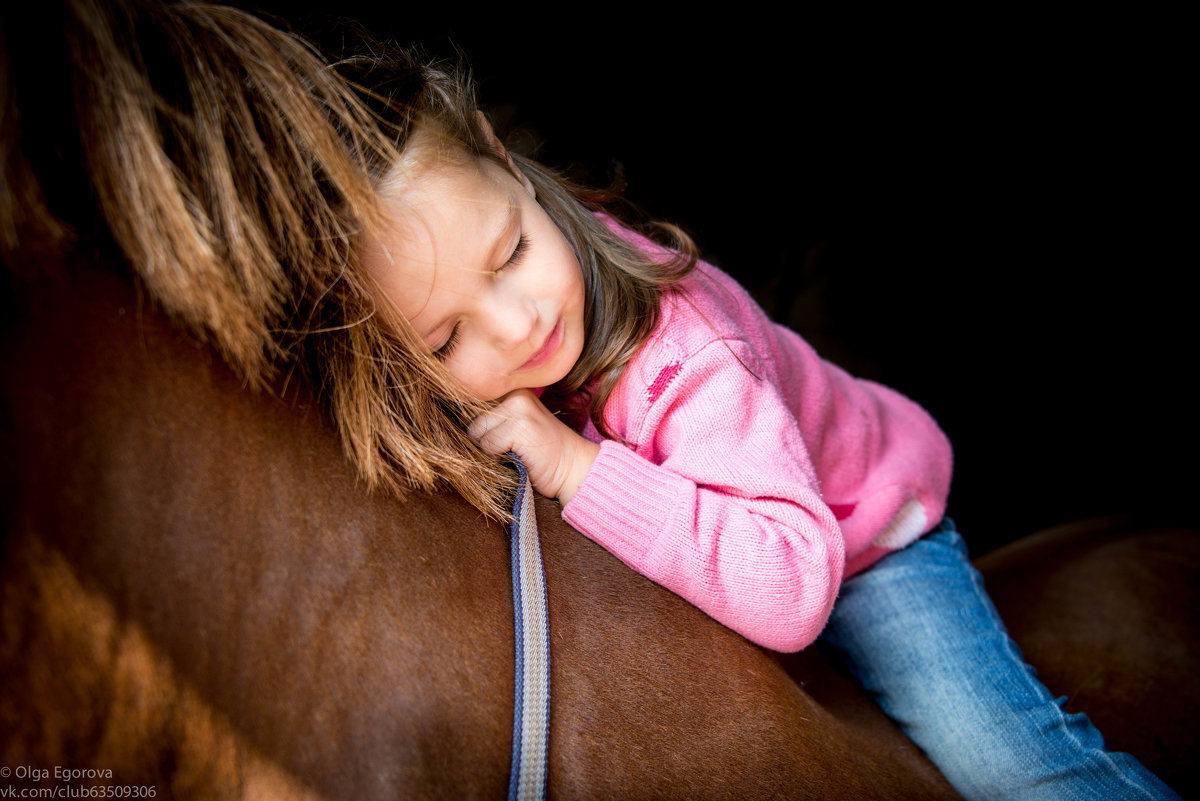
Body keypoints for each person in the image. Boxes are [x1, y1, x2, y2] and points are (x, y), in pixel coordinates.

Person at [339, 32, 1183, 801]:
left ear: (506, 161)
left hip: (854, 544)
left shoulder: (687, 351)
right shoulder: (482, 282)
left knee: (1012, 766)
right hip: (714, 542)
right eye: (446, 338)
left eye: (514, 252)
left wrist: (575, 468)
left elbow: (790, 586)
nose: (517, 324)